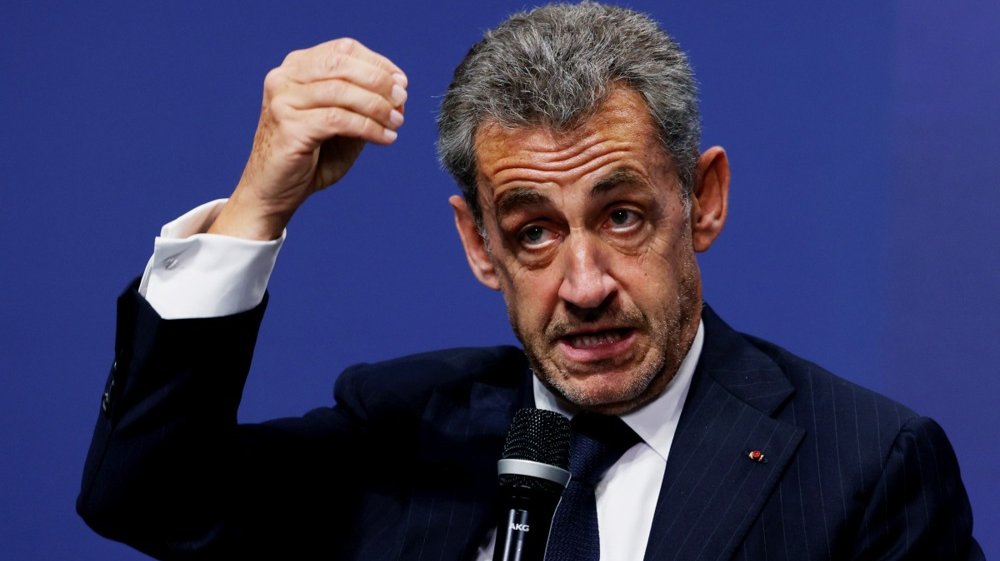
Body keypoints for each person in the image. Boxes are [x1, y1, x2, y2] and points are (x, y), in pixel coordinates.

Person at [78, 3, 984, 560]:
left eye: (621, 215)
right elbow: (147, 497)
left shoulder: (864, 468)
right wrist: (258, 204)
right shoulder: (405, 432)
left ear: (702, 200)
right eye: (534, 233)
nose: (583, 285)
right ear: (480, 246)